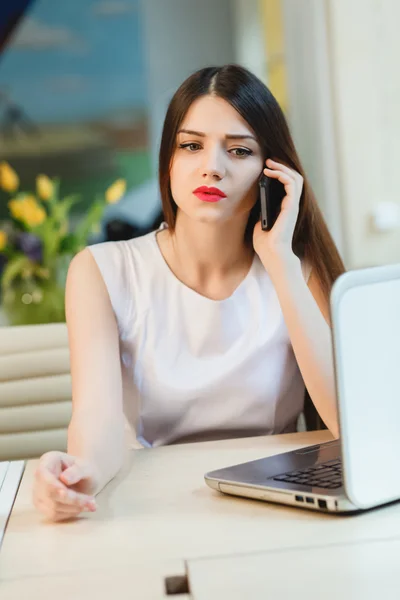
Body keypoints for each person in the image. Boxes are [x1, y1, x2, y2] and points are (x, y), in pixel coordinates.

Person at [32, 64, 345, 522]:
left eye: (239, 150)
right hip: (153, 504)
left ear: (272, 172)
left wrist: (280, 260)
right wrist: (82, 474)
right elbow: (96, 416)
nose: (211, 168)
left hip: (277, 503)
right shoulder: (102, 270)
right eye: (191, 145)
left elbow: (348, 424)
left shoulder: (297, 270)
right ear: (169, 159)